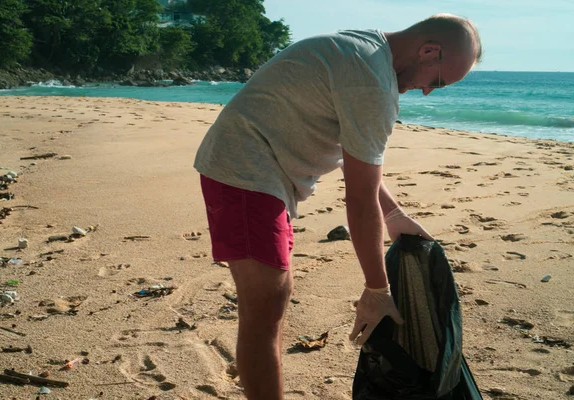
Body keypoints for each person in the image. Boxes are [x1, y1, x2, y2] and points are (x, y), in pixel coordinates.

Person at [193, 13, 482, 400]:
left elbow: (356, 159)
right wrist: (377, 288)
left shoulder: (368, 49)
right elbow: (359, 197)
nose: (429, 91)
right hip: (246, 171)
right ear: (429, 50)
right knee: (264, 307)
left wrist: (394, 215)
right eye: (439, 80)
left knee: (267, 306)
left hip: (251, 168)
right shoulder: (372, 82)